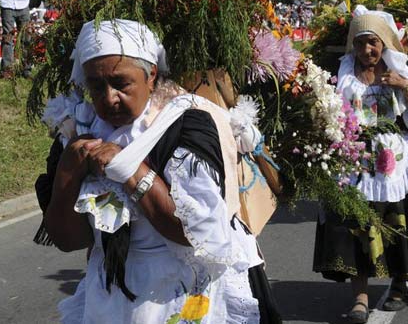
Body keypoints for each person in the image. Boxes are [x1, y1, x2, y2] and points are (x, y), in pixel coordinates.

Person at [36, 19, 275, 323]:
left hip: (180, 290)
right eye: (96, 86)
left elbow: (194, 233)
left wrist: (131, 169)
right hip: (110, 293)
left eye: (121, 84)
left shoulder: (184, 124)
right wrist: (68, 172)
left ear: (150, 76)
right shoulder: (79, 129)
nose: (109, 98)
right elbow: (68, 240)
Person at [312, 7, 408, 321]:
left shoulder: (400, 69)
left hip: (395, 162)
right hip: (355, 161)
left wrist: (405, 86)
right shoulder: (343, 73)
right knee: (355, 227)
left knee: (398, 225)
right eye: (360, 43)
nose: (366, 50)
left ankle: (400, 285)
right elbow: (327, 113)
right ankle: (359, 298)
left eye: (372, 42)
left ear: (384, 43)